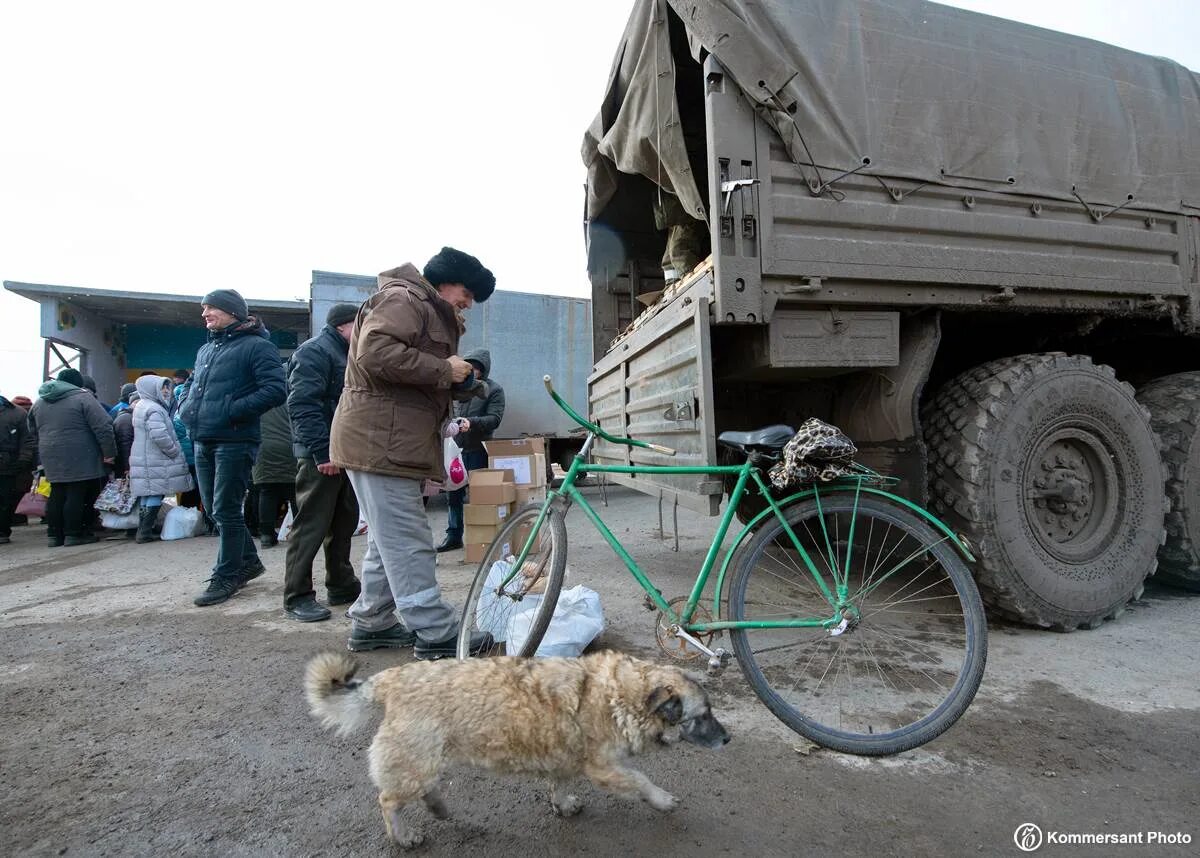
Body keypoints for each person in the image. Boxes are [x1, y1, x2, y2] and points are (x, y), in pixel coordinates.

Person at [330, 247, 496, 658]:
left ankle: (373, 622)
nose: (468, 303)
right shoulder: (405, 299)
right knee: (408, 540)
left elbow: (405, 369)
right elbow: (375, 354)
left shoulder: (422, 306)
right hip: (381, 442)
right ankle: (436, 630)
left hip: (388, 441)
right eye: (468, 293)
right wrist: (445, 370)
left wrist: (460, 381)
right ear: (446, 281)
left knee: (387, 541)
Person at [179, 289, 287, 606]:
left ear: (233, 312)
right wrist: (187, 409)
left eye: (211, 308)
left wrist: (231, 411)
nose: (205, 313)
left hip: (235, 439)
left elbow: (275, 390)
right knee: (214, 510)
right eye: (203, 308)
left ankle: (227, 574)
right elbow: (195, 388)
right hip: (202, 437)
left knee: (226, 510)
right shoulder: (206, 350)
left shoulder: (258, 347)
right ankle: (249, 563)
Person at [282, 302, 362, 622]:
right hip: (322, 456)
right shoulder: (314, 352)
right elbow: (302, 405)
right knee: (311, 526)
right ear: (345, 325)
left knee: (344, 522)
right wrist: (322, 452)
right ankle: (297, 595)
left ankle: (341, 584)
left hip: (344, 453)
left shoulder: (347, 352)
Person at [27, 368, 116, 547]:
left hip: (50, 453)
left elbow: (32, 429)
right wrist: (109, 453)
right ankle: (73, 534)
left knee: (57, 491)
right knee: (77, 492)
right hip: (80, 453)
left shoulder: (40, 401)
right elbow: (104, 427)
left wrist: (44, 446)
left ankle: (54, 534)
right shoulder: (83, 398)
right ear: (78, 383)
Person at [437, 349, 505, 552]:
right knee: (453, 494)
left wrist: (471, 423)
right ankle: (454, 536)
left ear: (483, 369)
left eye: (476, 367)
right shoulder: (457, 388)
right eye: (469, 366)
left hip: (478, 450)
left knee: (480, 497)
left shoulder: (493, 390)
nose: (472, 370)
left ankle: (483, 539)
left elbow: (495, 419)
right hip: (455, 451)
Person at [129, 375, 193, 543]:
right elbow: (160, 435)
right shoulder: (154, 409)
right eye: (162, 387)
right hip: (156, 458)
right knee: (155, 493)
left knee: (148, 493)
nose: (166, 391)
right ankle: (144, 532)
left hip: (146, 457)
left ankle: (144, 529)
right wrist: (173, 451)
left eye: (167, 387)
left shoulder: (143, 406)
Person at [251, 403, 297, 549]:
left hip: (263, 449)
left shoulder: (257, 399)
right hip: (289, 446)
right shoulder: (286, 395)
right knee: (295, 492)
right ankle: (300, 533)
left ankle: (266, 535)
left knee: (267, 492)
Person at [0, 393, 37, 545]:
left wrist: (23, 459)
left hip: (8, 464)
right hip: (9, 463)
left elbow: (27, 439)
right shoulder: (16, 412)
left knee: (4, 499)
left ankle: (2, 531)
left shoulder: (17, 413)